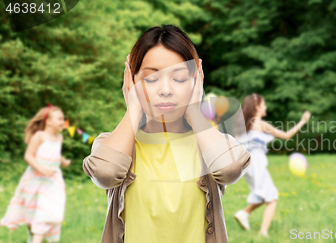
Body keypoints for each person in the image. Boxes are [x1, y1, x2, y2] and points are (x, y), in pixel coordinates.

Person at [82, 24, 251, 243]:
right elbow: (105, 172)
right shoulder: (114, 144)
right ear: (130, 80)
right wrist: (133, 109)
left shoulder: (209, 145)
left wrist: (193, 110)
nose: (165, 90)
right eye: (150, 79)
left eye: (179, 79)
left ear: (196, 80)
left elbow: (230, 169)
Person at [233, 94, 310, 237]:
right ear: (257, 107)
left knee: (263, 193)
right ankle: (263, 232)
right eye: (263, 104)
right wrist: (302, 122)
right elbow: (286, 136)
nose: (265, 107)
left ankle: (244, 213)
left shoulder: (241, 126)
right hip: (257, 164)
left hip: (244, 166)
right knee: (272, 197)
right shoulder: (261, 124)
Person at [1, 104, 71, 243]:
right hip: (35, 179)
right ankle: (33, 237)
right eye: (59, 119)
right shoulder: (39, 136)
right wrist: (42, 169)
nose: (63, 122)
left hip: (52, 181)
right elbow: (29, 156)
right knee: (32, 211)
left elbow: (55, 154)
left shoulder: (59, 138)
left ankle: (37, 237)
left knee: (47, 211)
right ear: (48, 121)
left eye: (63, 119)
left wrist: (63, 161)